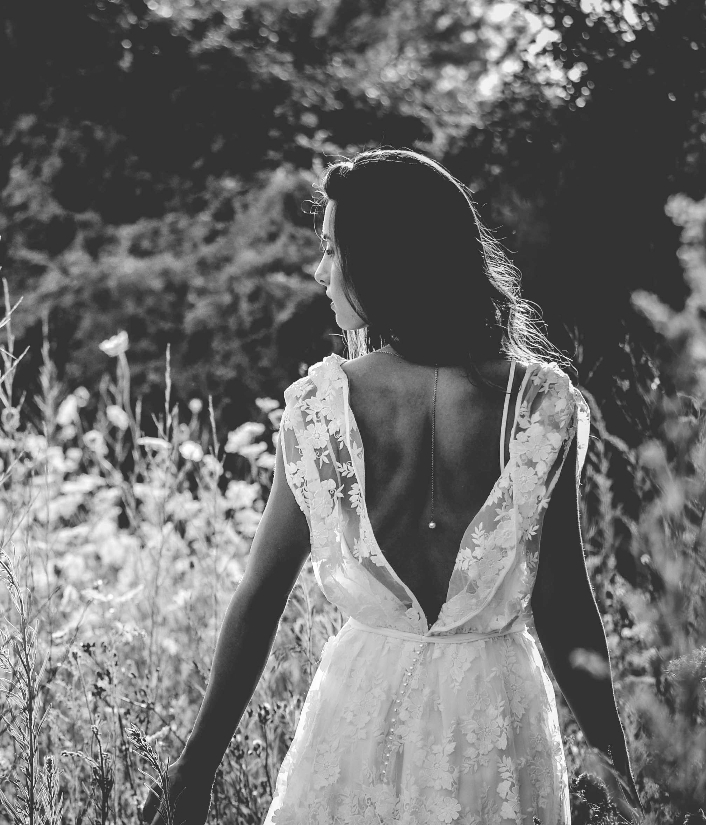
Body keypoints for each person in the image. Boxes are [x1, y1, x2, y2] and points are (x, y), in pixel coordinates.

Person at [140, 149, 640, 824]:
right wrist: (621, 779)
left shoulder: (321, 409)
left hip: (361, 711)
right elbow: (565, 607)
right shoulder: (540, 405)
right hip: (495, 720)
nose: (320, 271)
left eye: (331, 249)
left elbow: (260, 597)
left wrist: (197, 763)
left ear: (380, 258)